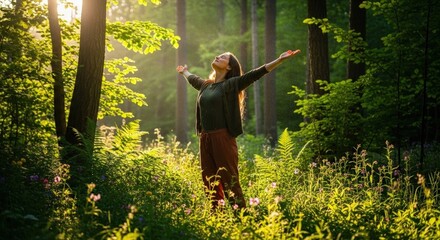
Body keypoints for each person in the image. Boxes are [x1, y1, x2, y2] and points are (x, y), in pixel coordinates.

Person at [176, 49, 301, 209]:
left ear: (229, 67)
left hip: (222, 138)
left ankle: (241, 217)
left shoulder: (232, 84)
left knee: (229, 180)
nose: (217, 56)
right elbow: (193, 79)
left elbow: (255, 74)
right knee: (209, 180)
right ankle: (217, 218)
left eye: (222, 57)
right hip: (205, 138)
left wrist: (279, 60)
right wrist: (184, 72)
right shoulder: (206, 86)